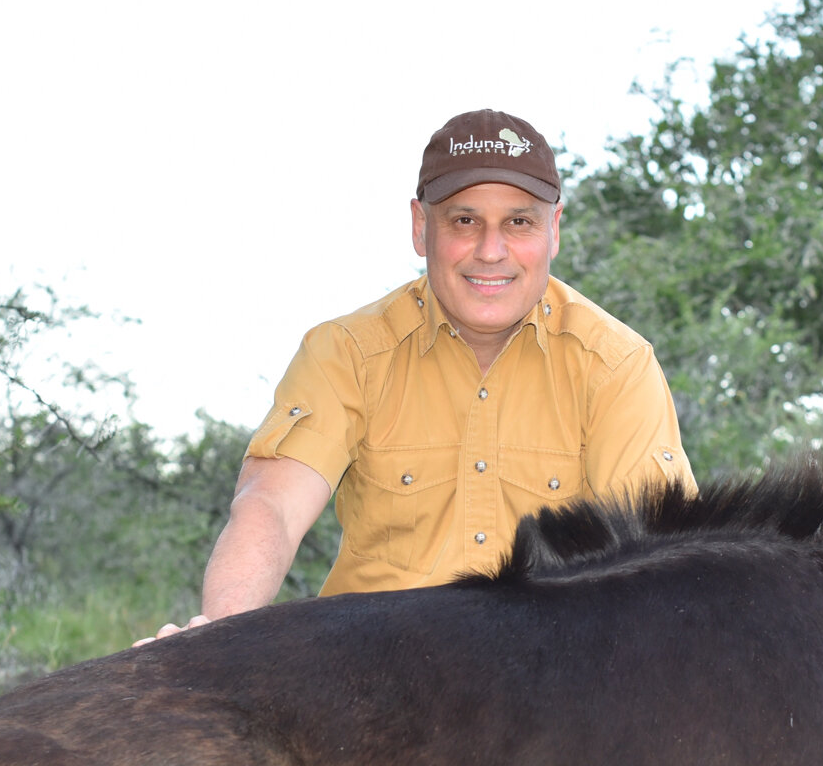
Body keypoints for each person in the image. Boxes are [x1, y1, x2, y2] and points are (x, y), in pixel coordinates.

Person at [140, 109, 694, 643]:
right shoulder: (346, 354)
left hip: (549, 686)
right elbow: (273, 506)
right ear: (419, 226)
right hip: (372, 676)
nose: (490, 251)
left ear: (554, 230)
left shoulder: (616, 364)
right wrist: (220, 631)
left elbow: (655, 559)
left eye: (518, 222)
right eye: (464, 221)